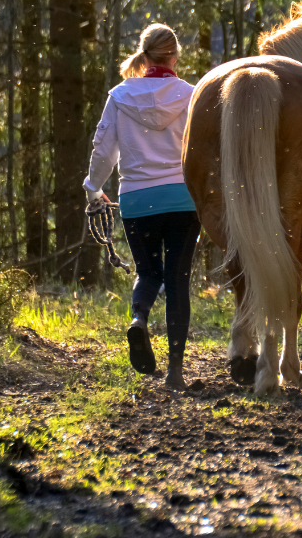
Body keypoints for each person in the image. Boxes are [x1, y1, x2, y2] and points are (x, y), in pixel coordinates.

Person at [83, 23, 199, 390]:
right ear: (175, 57)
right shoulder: (193, 96)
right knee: (178, 280)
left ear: (144, 56)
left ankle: (138, 319)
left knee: (148, 273)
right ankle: (176, 373)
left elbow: (104, 149)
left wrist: (93, 189)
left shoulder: (119, 96)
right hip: (183, 199)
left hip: (137, 199)